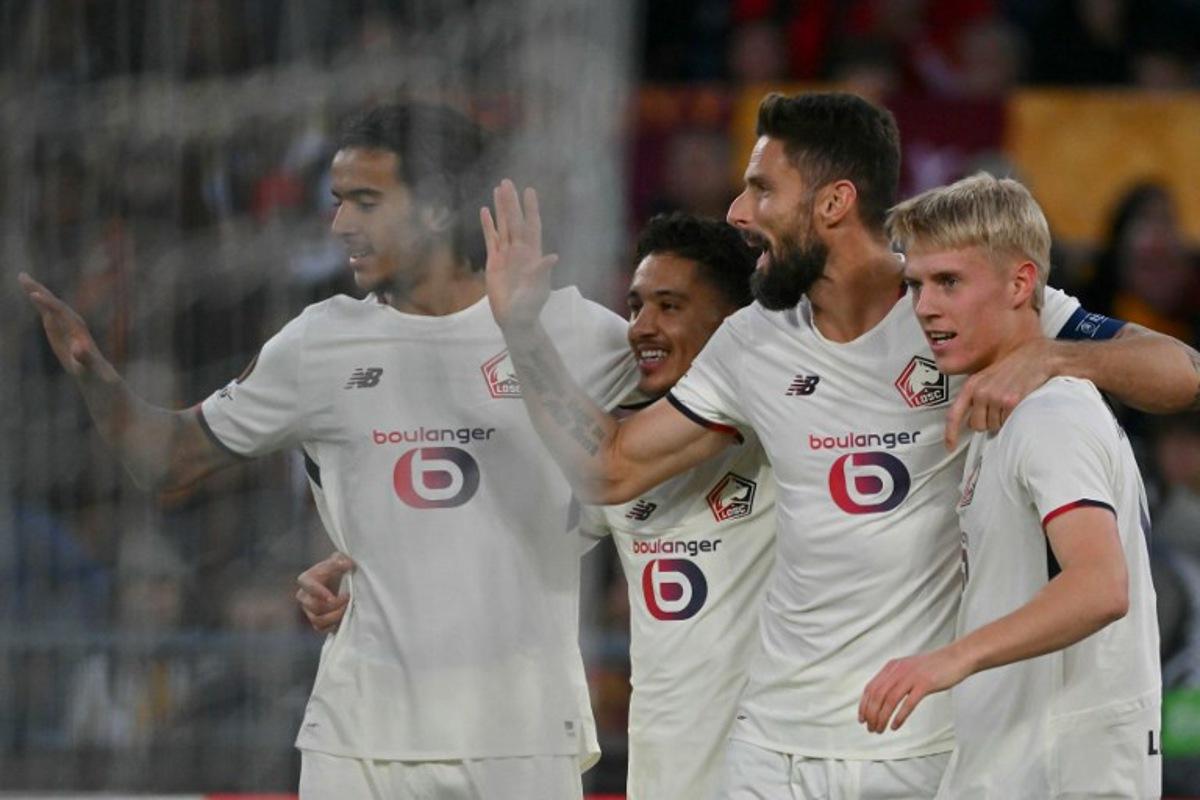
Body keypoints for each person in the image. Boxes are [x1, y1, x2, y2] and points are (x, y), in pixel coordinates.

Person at [482, 91, 1200, 798]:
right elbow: (610, 468)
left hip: (922, 737)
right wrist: (522, 332)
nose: (737, 213)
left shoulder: (962, 307)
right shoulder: (751, 344)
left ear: (832, 204)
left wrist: (1054, 357)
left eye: (762, 188)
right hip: (774, 742)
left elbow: (1182, 372)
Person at [20, 102, 638, 799]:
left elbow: (683, 454)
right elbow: (167, 460)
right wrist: (96, 380)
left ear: (435, 208)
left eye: (365, 202)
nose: (340, 224)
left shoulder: (578, 333)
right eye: (339, 201)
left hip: (520, 736)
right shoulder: (319, 342)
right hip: (358, 739)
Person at [298, 212, 778, 800]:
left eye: (669, 307)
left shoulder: (780, 434)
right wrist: (362, 570)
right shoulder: (625, 460)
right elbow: (498, 539)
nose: (641, 327)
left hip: (782, 764)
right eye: (634, 307)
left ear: (733, 324)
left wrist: (522, 330)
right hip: (666, 771)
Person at [859, 172, 1161, 798]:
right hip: (1014, 763)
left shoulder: (1052, 416)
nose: (925, 306)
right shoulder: (1006, 415)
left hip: (1059, 773)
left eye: (949, 282)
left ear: (1022, 283)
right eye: (916, 285)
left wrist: (951, 658)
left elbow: (1101, 585)